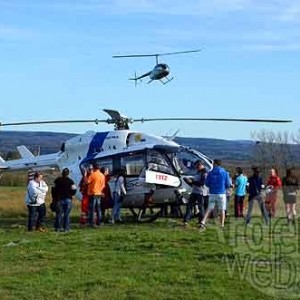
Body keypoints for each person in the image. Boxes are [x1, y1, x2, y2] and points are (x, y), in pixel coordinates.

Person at [199, 159, 231, 230]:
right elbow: (228, 184)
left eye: (213, 163)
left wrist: (212, 186)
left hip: (212, 193)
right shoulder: (225, 173)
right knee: (222, 209)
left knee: (209, 208)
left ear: (215, 164)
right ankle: (222, 225)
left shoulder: (210, 173)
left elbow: (206, 183)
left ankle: (203, 222)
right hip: (221, 193)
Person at [183, 160, 208, 225]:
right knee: (189, 206)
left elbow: (202, 183)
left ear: (200, 164)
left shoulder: (205, 173)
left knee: (200, 207)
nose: (196, 167)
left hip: (201, 192)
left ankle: (201, 222)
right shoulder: (198, 171)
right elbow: (196, 181)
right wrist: (189, 181)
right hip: (194, 191)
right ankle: (186, 221)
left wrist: (192, 182)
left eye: (197, 166)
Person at [53, 168, 77, 232]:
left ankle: (57, 228)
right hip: (68, 199)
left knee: (59, 214)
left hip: (59, 199)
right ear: (68, 174)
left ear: (62, 173)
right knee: (67, 214)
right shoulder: (70, 181)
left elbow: (53, 189)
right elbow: (74, 189)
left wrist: (54, 197)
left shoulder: (57, 180)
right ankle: (66, 228)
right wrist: (72, 194)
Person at [85, 163, 105, 227]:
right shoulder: (102, 175)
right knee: (98, 209)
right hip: (99, 193)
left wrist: (85, 175)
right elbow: (103, 185)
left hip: (93, 193)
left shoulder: (92, 174)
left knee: (92, 209)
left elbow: (86, 182)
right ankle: (99, 222)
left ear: (93, 168)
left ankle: (92, 223)